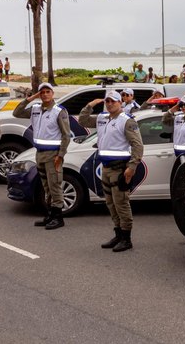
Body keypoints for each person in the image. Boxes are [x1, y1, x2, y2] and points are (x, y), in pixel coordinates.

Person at [78, 90, 144, 251]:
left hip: (120, 168)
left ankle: (126, 238)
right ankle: (118, 234)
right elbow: (83, 120)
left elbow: (137, 145)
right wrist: (91, 104)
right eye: (107, 101)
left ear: (120, 102)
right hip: (106, 168)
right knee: (110, 203)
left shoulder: (126, 121)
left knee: (121, 203)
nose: (109, 104)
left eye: (113, 101)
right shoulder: (102, 118)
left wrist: (132, 167)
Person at [13, 83, 71, 230]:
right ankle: (50, 214)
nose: (45, 94)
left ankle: (58, 217)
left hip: (53, 155)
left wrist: (61, 155)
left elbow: (66, 135)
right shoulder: (35, 109)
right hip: (39, 153)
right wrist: (30, 98)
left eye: (47, 91)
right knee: (46, 186)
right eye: (42, 92)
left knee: (55, 185)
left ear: (52, 93)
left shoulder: (59, 111)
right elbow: (17, 112)